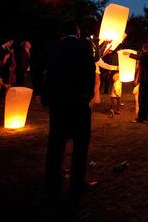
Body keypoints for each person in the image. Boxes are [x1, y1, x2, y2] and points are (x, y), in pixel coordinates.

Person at [33, 20, 97, 196]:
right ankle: (77, 182)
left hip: (57, 102)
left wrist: (40, 92)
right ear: (77, 32)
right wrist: (88, 94)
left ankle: (52, 178)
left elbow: (37, 69)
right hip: (78, 102)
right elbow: (89, 71)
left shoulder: (52, 47)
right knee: (80, 143)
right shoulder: (84, 46)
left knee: (56, 140)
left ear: (62, 33)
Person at [129, 44, 148, 123]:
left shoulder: (145, 57)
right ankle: (145, 115)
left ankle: (140, 117)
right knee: (146, 99)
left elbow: (141, 58)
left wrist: (129, 54)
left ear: (143, 49)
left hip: (144, 80)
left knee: (142, 99)